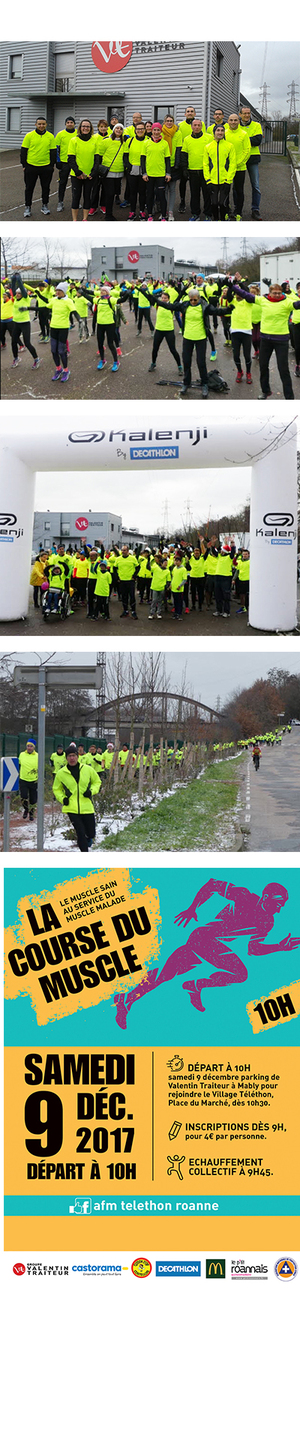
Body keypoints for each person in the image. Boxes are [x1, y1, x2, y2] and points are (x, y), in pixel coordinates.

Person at [113, 878, 300, 1028]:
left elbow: (253, 949)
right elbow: (213, 885)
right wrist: (192, 908)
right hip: (204, 938)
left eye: (282, 905)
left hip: (207, 946)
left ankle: (126, 999)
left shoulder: (267, 922)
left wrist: (279, 947)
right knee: (240, 974)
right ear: (265, 896)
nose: (280, 908)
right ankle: (195, 985)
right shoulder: (244, 896)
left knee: (164, 974)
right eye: (277, 902)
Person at [229, 278, 300, 399]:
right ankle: (265, 391)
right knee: (263, 366)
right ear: (270, 292)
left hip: (281, 340)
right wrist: (232, 286)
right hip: (265, 339)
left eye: (279, 293)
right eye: (274, 293)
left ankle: (289, 397)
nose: (277, 295)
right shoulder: (263, 300)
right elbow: (245, 294)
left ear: (281, 293)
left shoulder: (287, 302)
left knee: (283, 369)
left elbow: (297, 304)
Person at [53, 741, 101, 851]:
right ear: (66, 758)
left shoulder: (87, 769)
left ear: (78, 756)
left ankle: (89, 838)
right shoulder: (61, 773)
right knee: (80, 832)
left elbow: (97, 782)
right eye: (69, 756)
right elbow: (57, 789)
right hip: (71, 807)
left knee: (91, 833)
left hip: (87, 806)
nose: (72, 758)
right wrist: (62, 798)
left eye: (74, 755)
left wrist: (91, 791)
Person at [33, 279, 74, 381]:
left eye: (59, 291)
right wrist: (28, 308)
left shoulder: (68, 301)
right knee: (53, 351)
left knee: (61, 351)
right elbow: (44, 307)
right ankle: (58, 369)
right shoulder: (54, 300)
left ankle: (66, 370)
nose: (57, 292)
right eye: (56, 290)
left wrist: (80, 320)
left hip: (63, 328)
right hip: (54, 327)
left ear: (64, 291)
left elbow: (74, 311)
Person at [221, 272, 253, 384]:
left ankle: (248, 372)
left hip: (247, 331)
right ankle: (240, 371)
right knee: (236, 355)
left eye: (240, 292)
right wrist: (234, 282)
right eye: (236, 292)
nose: (238, 294)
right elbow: (229, 293)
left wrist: (240, 283)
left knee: (247, 355)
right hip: (235, 331)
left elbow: (247, 293)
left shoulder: (248, 302)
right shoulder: (232, 300)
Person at [20, 117, 56, 217]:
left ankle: (45, 205)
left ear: (46, 125)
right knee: (29, 188)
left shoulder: (50, 136)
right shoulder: (29, 135)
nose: (41, 126)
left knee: (46, 187)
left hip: (46, 167)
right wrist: (24, 165)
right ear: (36, 124)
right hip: (31, 167)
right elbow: (23, 151)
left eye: (43, 124)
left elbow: (53, 152)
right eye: (39, 124)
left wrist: (51, 165)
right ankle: (28, 207)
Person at [67, 120, 101, 222]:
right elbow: (71, 159)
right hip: (77, 175)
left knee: (87, 197)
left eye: (88, 126)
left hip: (89, 176)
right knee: (76, 197)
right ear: (80, 128)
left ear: (90, 128)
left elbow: (97, 159)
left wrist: (93, 173)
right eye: (83, 126)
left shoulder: (94, 141)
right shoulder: (74, 140)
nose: (85, 128)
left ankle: (85, 219)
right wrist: (78, 172)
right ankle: (75, 220)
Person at [146, 287, 182, 375]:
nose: (163, 299)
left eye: (165, 298)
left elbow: (179, 298)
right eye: (162, 298)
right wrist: (146, 293)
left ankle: (180, 366)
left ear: (168, 299)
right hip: (159, 330)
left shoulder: (171, 306)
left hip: (169, 330)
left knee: (173, 349)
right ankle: (153, 363)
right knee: (155, 349)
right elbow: (150, 299)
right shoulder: (157, 305)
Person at [81, 283, 118, 370]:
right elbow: (89, 297)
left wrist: (128, 293)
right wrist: (82, 292)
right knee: (100, 344)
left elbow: (121, 300)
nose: (102, 292)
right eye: (101, 291)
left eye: (104, 291)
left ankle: (116, 362)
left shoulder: (111, 300)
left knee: (110, 344)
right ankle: (102, 360)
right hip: (100, 324)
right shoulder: (98, 300)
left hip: (110, 324)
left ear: (108, 292)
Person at [203, 125, 236, 220]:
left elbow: (232, 164)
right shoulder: (208, 147)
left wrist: (228, 180)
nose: (220, 132)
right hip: (212, 181)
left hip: (225, 181)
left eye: (222, 130)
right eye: (218, 130)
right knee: (213, 204)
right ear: (214, 132)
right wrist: (208, 180)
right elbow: (205, 165)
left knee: (222, 204)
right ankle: (216, 220)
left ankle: (223, 219)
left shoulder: (230, 146)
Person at [180, 119, 210, 220]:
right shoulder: (187, 139)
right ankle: (195, 214)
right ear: (192, 127)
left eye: (198, 125)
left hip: (205, 171)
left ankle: (208, 214)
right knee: (194, 194)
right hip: (192, 171)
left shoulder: (209, 138)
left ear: (201, 127)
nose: (196, 127)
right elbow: (184, 155)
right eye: (195, 125)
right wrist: (185, 169)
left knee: (207, 194)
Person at [141, 123, 171, 220]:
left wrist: (168, 173)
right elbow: (142, 159)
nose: (156, 132)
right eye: (154, 130)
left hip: (161, 174)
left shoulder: (164, 143)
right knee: (149, 195)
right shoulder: (146, 143)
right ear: (151, 131)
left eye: (158, 130)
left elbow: (167, 160)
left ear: (161, 131)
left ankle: (163, 215)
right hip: (149, 174)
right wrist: (144, 173)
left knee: (161, 196)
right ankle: (150, 215)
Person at [99, 125, 128, 220]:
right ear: (113, 129)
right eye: (117, 128)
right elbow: (99, 155)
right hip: (108, 171)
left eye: (121, 129)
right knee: (109, 194)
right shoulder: (106, 141)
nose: (119, 130)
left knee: (115, 192)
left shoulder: (124, 142)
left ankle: (110, 213)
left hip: (119, 171)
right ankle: (108, 215)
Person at [224, 115, 251, 219]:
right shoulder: (224, 133)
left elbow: (247, 151)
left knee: (238, 190)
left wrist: (236, 163)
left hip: (240, 168)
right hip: (226, 168)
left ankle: (238, 212)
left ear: (239, 121)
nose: (233, 122)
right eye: (231, 120)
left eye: (235, 120)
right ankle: (226, 210)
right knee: (225, 190)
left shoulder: (244, 134)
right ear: (228, 121)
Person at [239, 105, 263, 220]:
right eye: (244, 113)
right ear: (240, 114)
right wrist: (248, 139)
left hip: (253, 158)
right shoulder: (235, 125)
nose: (247, 115)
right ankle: (237, 209)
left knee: (256, 185)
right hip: (239, 159)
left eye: (248, 113)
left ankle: (255, 209)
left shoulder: (256, 125)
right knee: (237, 186)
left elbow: (257, 141)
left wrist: (242, 140)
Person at [11, 285, 39, 370]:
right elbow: (13, 289)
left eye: (19, 293)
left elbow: (23, 291)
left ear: (23, 294)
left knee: (27, 343)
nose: (18, 294)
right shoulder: (15, 299)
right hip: (16, 323)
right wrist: (14, 280)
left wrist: (20, 282)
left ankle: (36, 359)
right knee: (13, 342)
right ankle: (16, 358)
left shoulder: (26, 299)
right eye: (17, 293)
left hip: (25, 323)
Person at [124, 123, 147, 218]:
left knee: (142, 192)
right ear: (135, 130)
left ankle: (142, 211)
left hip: (144, 170)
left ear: (145, 130)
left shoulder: (149, 140)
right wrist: (128, 167)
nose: (140, 131)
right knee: (132, 192)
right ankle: (132, 211)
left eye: (142, 129)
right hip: (132, 170)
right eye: (138, 129)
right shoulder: (129, 141)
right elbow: (125, 155)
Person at [161, 115, 181, 220]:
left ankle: (171, 211)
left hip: (173, 165)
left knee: (172, 189)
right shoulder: (160, 132)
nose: (169, 122)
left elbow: (178, 149)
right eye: (167, 121)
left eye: (171, 121)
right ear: (164, 122)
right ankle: (163, 211)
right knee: (163, 190)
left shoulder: (177, 133)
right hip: (162, 165)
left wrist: (177, 165)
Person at [177, 106, 196, 211]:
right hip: (184, 157)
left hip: (195, 157)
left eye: (191, 111)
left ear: (195, 114)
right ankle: (182, 201)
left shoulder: (200, 124)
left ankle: (194, 203)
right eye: (188, 111)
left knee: (194, 183)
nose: (190, 113)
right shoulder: (180, 125)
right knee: (183, 182)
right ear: (185, 114)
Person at [56, 117, 76, 211]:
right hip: (64, 162)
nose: (69, 124)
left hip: (76, 163)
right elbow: (56, 148)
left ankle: (75, 202)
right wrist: (58, 161)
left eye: (71, 122)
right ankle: (60, 202)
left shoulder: (78, 133)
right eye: (68, 122)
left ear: (74, 124)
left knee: (75, 184)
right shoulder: (60, 134)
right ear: (65, 124)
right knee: (62, 183)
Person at [19, 739, 39, 822]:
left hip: (34, 780)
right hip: (23, 779)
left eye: (31, 746)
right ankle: (26, 809)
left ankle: (31, 813)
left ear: (34, 747)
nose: (29, 748)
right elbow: (19, 764)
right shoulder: (22, 754)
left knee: (33, 799)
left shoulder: (38, 755)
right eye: (28, 746)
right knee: (23, 796)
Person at [213, 544, 234, 618]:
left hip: (226, 577)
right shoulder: (219, 556)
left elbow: (232, 552)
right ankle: (219, 610)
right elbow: (213, 551)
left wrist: (232, 546)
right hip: (217, 577)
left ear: (225, 551)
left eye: (222, 550)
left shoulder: (229, 557)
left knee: (226, 596)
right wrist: (212, 545)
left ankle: (226, 611)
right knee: (218, 595)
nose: (221, 551)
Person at [117, 547, 139, 618]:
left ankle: (133, 611)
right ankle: (125, 611)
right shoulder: (118, 559)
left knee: (132, 596)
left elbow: (138, 567)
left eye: (124, 550)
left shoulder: (133, 558)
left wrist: (134, 576)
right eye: (122, 550)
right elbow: (114, 568)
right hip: (122, 581)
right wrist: (117, 577)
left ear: (128, 551)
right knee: (124, 596)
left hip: (130, 580)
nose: (123, 551)